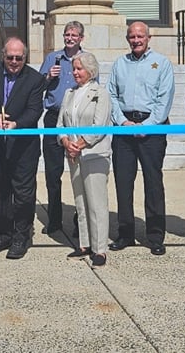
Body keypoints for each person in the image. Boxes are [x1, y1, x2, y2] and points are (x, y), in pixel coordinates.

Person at [0, 37, 45, 259]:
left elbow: (35, 110)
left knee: (23, 194)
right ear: (3, 56)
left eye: (19, 58)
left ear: (25, 58)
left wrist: (16, 124)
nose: (14, 62)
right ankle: (2, 234)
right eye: (10, 57)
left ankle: (21, 236)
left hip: (23, 147)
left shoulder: (34, 79)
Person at [107, 21, 174, 256]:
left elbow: (164, 99)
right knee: (123, 183)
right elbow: (111, 95)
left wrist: (147, 125)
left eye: (140, 37)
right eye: (132, 37)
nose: (136, 41)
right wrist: (123, 122)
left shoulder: (162, 63)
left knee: (153, 183)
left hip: (152, 130)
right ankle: (125, 233)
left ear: (148, 38)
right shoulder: (119, 64)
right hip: (123, 128)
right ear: (127, 39)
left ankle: (155, 236)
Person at [57, 52, 112, 267]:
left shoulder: (101, 93)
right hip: (73, 155)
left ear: (90, 70)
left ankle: (100, 249)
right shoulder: (69, 93)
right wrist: (65, 142)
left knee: (96, 202)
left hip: (94, 154)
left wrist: (79, 144)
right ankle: (84, 244)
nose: (75, 72)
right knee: (80, 200)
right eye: (74, 68)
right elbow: (61, 123)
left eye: (79, 68)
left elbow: (99, 126)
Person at [38, 21, 87, 236]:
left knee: (80, 172)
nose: (69, 38)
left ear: (81, 38)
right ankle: (55, 219)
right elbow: (37, 86)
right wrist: (49, 76)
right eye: (67, 34)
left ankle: (81, 220)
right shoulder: (52, 58)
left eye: (74, 35)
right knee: (53, 172)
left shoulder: (86, 60)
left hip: (76, 120)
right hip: (53, 118)